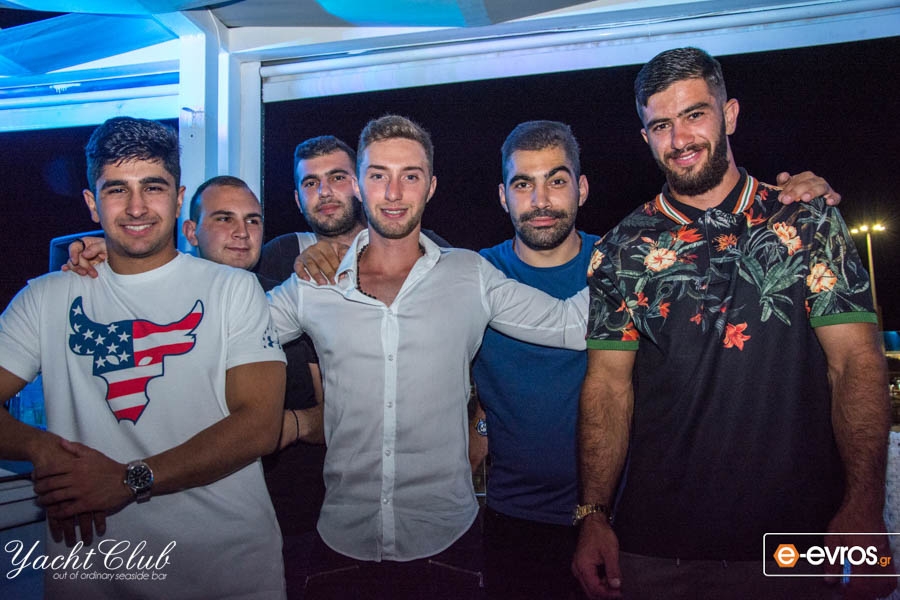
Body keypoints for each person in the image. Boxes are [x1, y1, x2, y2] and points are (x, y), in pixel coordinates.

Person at [572, 47, 894, 600]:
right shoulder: (622, 248)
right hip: (654, 547)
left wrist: (864, 506)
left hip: (801, 539)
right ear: (645, 136)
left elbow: (856, 363)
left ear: (730, 114)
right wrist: (593, 515)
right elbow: (607, 388)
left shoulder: (806, 218)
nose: (680, 139)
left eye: (695, 114)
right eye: (661, 125)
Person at [265, 114, 589, 599]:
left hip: (449, 546)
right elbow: (228, 337)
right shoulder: (314, 284)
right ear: (359, 185)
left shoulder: (469, 274)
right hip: (341, 543)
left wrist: (642, 252)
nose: (394, 193)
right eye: (379, 175)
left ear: (431, 186)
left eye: (410, 176)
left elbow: (570, 325)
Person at [0, 117, 288, 599]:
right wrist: (42, 449)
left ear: (177, 198)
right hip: (90, 574)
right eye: (117, 190)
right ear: (92, 203)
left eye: (153, 187)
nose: (136, 207)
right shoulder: (46, 298)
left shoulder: (232, 289)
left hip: (225, 570)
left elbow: (259, 423)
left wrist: (129, 479)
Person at [68, 174, 327, 598]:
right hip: (161, 520)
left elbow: (341, 415)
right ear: (190, 231)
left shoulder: (289, 301)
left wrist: (288, 424)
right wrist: (108, 253)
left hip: (293, 520)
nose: (242, 232)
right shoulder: (151, 306)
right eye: (224, 219)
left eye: (253, 220)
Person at [256, 134, 449, 283]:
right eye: (311, 183)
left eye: (338, 178)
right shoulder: (282, 254)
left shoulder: (421, 243)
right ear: (298, 200)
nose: (324, 192)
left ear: (359, 186)